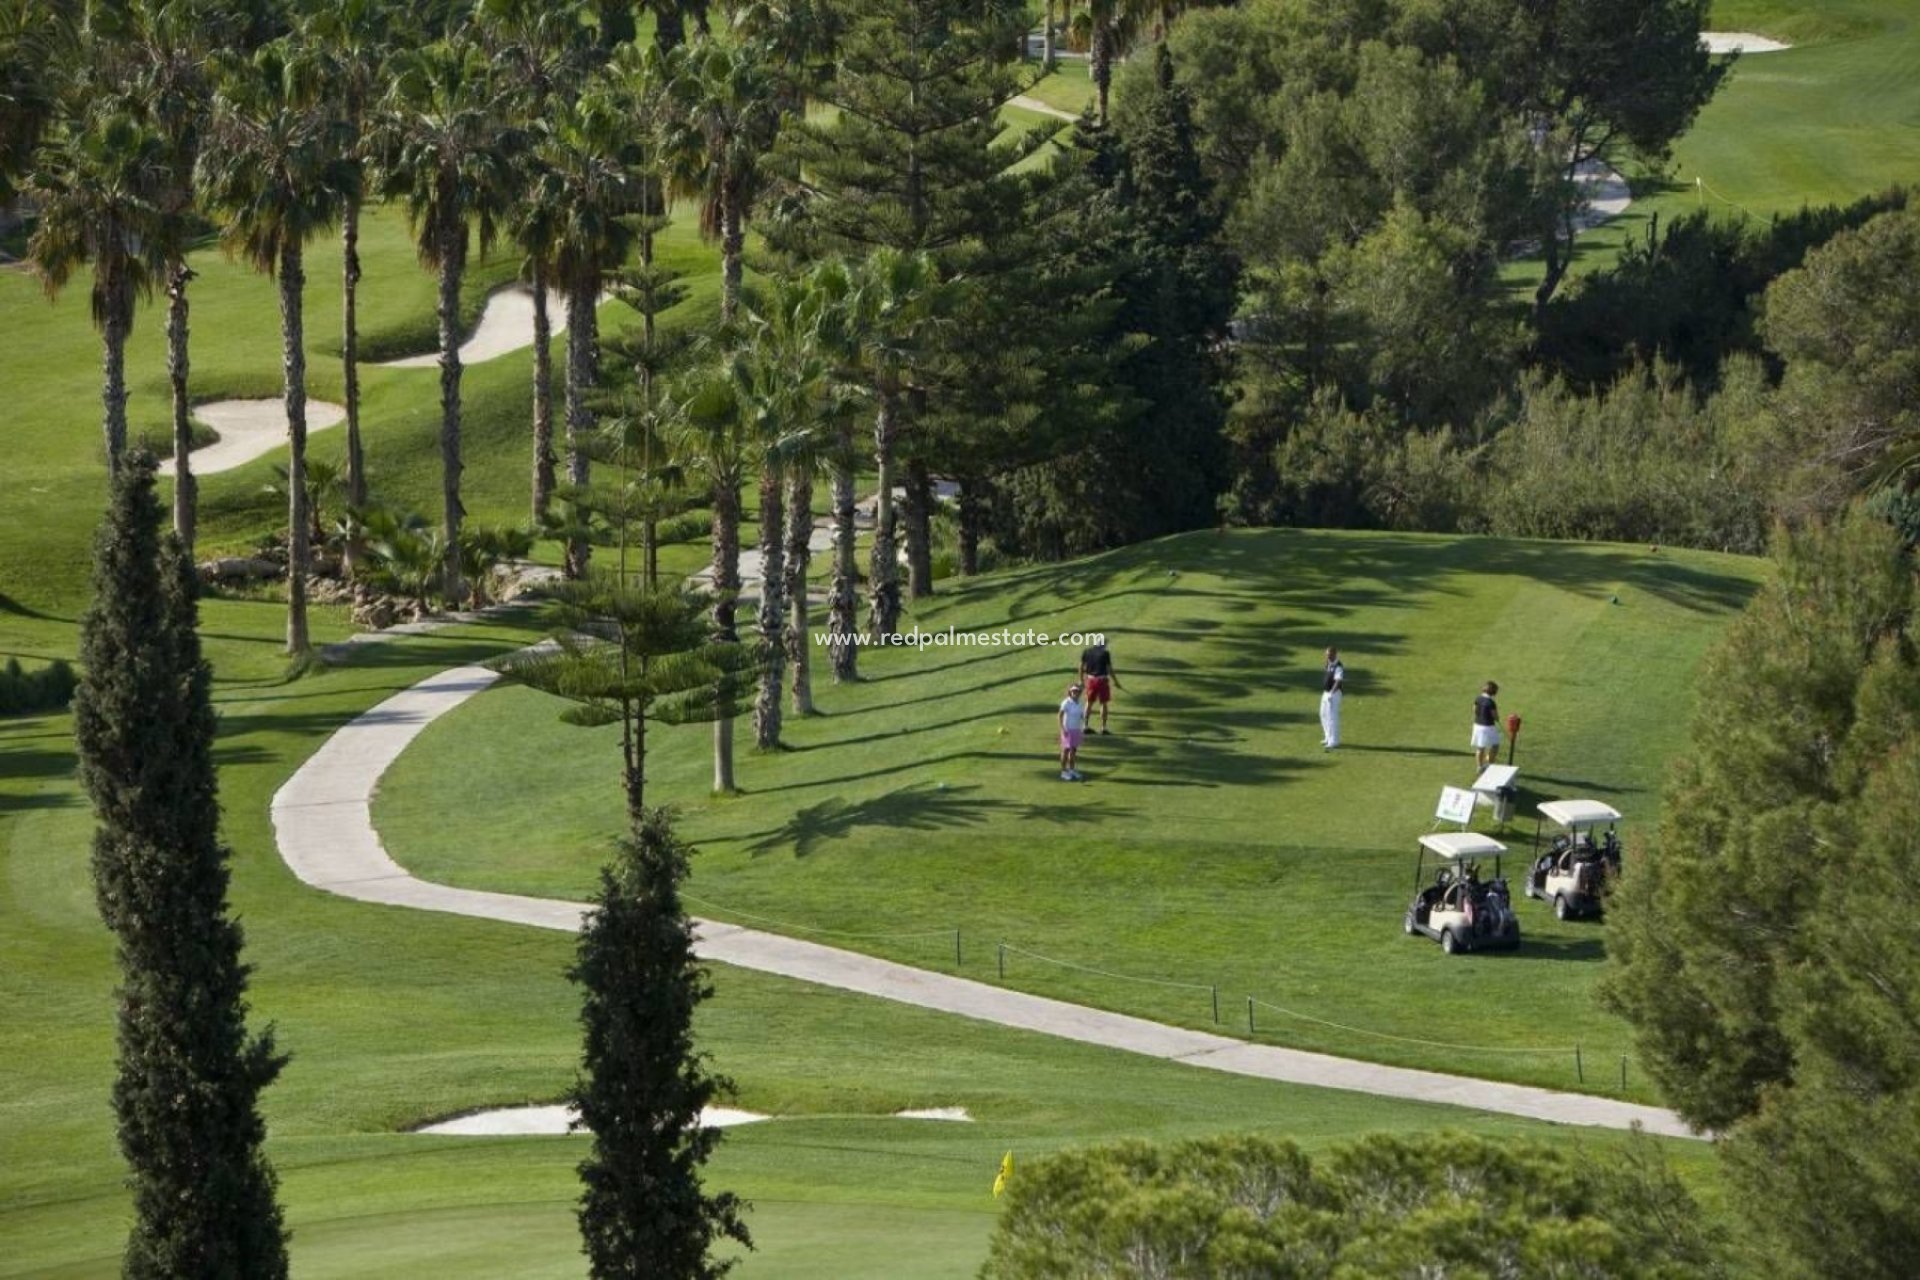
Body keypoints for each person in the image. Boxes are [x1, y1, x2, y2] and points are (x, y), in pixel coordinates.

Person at [1078, 635, 1120, 734]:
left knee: (1089, 702)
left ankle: (1085, 725)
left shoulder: (1087, 652)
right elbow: (1109, 669)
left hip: (1090, 680)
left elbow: (1080, 667)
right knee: (1103, 703)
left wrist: (1081, 680)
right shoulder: (1105, 653)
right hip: (1102, 681)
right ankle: (1103, 728)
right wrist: (1116, 682)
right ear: (1103, 645)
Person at [1058, 683, 1088, 781]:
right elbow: (1060, 716)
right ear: (1070, 692)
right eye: (1073, 691)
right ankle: (1063, 771)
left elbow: (1081, 716)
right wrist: (1062, 729)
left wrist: (1084, 725)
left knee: (1073, 751)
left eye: (1077, 691)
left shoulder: (1080, 703)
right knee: (1066, 751)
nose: (1075, 692)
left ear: (1079, 693)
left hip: (1076, 730)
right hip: (1067, 730)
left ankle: (1071, 770)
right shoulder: (1066, 702)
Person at [1471, 681, 1501, 769]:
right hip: (1488, 726)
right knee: (1495, 745)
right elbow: (1495, 717)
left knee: (1480, 747)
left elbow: (1474, 710)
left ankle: (1479, 766)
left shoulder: (1478, 698)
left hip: (1477, 725)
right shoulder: (1491, 702)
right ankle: (1489, 763)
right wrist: (1497, 718)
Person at [1320, 647, 1344, 751]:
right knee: (1323, 714)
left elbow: (1338, 681)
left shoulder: (1338, 666)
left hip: (1333, 694)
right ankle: (1327, 736)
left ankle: (1333, 741)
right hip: (1326, 693)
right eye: (1326, 655)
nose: (1327, 657)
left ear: (1334, 654)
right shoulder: (1329, 663)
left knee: (1332, 717)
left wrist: (1331, 693)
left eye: (1329, 655)